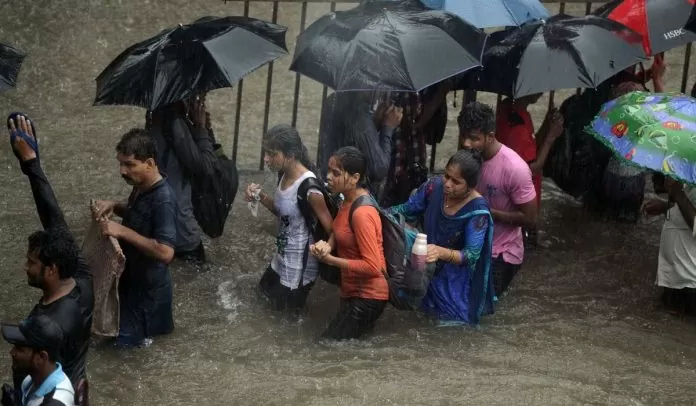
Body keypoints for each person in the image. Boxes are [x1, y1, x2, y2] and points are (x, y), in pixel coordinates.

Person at [5, 114, 93, 388]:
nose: (25, 267)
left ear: (51, 270)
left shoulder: (48, 326)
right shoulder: (82, 280)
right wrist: (31, 164)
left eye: (31, 262)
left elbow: (27, 370)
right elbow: (54, 218)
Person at [387, 150, 496, 325]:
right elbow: (406, 210)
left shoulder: (478, 212)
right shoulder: (433, 187)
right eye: (446, 176)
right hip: (425, 263)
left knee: (451, 325)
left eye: (456, 182)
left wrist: (440, 252)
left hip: (454, 280)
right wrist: (378, 213)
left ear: (471, 186)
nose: (447, 184)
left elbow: (471, 255)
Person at [91, 129, 177, 347]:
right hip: (132, 285)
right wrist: (115, 205)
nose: (122, 171)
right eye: (120, 164)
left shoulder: (163, 199)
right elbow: (137, 213)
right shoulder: (141, 187)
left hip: (148, 297)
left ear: (149, 163)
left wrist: (120, 231)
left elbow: (166, 253)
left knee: (120, 350)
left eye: (129, 165)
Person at [244, 125, 334, 313]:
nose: (266, 159)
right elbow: (284, 213)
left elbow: (333, 228)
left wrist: (327, 248)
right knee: (261, 300)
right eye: (266, 153)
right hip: (282, 256)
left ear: (290, 155)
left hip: (298, 269)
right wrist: (260, 196)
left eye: (271, 154)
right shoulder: (283, 173)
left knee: (285, 320)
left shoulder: (310, 189)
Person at [458, 102, 537, 296]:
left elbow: (531, 219)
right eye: (463, 136)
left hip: (501, 254)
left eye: (474, 138)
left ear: (490, 137)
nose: (466, 143)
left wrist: (487, 211)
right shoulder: (467, 158)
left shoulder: (514, 168)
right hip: (471, 246)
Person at [310, 147, 388, 340]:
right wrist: (329, 244)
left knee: (324, 348)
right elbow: (341, 228)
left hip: (368, 296)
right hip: (352, 292)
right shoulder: (346, 199)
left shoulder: (362, 213)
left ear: (354, 178)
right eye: (329, 170)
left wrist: (330, 260)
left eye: (336, 173)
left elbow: (373, 266)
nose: (328, 177)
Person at [147, 93, 216, 263]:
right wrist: (201, 128)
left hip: (160, 225)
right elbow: (206, 168)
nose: (201, 101)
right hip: (182, 233)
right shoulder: (175, 123)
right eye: (198, 96)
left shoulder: (153, 116)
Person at [495, 93, 564, 247]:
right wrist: (551, 137)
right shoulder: (516, 125)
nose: (541, 93)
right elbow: (531, 169)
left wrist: (547, 126)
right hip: (521, 201)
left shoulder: (513, 111)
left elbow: (531, 148)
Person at [318, 92, 403, 195]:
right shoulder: (360, 117)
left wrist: (374, 123)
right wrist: (388, 127)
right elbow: (379, 169)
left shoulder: (333, 100)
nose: (378, 93)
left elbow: (352, 140)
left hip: (328, 179)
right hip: (349, 192)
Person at [643, 178, 696, 314]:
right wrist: (665, 207)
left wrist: (678, 193)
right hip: (677, 278)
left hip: (689, 284)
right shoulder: (690, 176)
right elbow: (688, 211)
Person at [1, 316, 76, 406]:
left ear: (42, 357)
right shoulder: (30, 380)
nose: (12, 352)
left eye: (19, 349)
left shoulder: (55, 401)